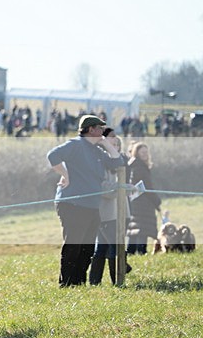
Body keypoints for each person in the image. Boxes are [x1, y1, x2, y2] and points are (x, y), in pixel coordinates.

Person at [47, 115, 125, 287]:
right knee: (74, 244)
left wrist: (105, 144)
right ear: (91, 129)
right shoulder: (75, 145)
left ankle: (79, 282)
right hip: (72, 204)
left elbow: (118, 162)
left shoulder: (97, 150)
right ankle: (67, 283)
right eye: (100, 129)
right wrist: (65, 174)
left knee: (87, 247)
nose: (103, 132)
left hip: (91, 205)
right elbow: (52, 156)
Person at [89, 129, 131, 285]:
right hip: (105, 212)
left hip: (121, 211)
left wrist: (129, 188)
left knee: (102, 247)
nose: (114, 147)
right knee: (115, 245)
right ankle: (118, 280)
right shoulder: (99, 164)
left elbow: (121, 188)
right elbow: (102, 187)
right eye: (111, 144)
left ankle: (94, 282)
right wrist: (120, 189)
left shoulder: (122, 164)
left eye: (116, 145)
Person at [126, 142, 160, 255]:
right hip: (143, 202)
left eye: (146, 152)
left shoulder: (134, 165)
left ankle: (130, 252)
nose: (145, 154)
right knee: (142, 229)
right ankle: (141, 252)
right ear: (137, 153)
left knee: (134, 228)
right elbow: (147, 188)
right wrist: (156, 201)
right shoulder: (139, 167)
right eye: (142, 152)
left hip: (135, 201)